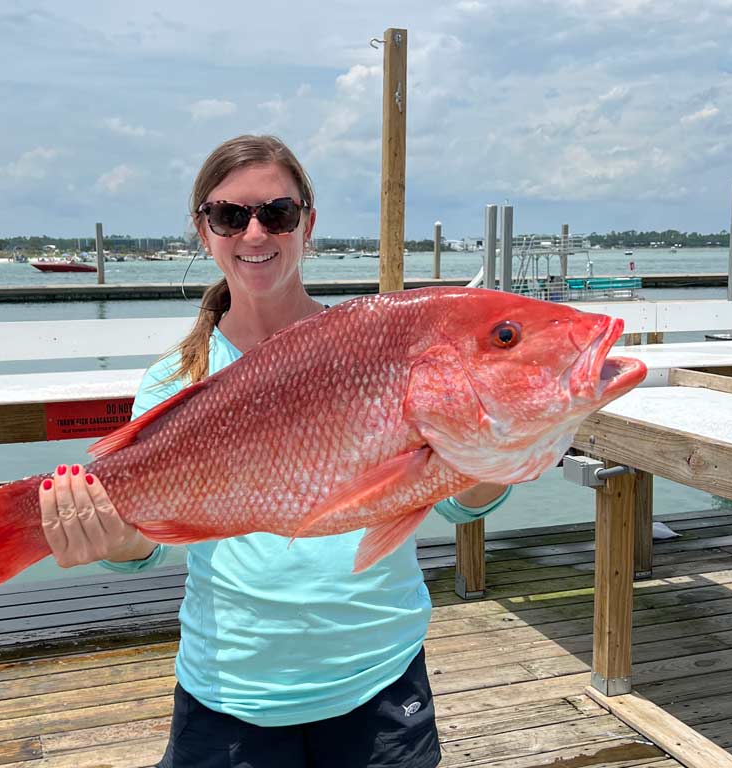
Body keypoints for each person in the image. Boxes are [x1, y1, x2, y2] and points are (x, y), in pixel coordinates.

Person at [39, 135, 512, 768]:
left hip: (379, 677)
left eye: (277, 214)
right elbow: (143, 550)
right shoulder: (172, 382)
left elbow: (463, 509)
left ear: (307, 225)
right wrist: (103, 536)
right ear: (204, 232)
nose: (254, 232)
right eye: (230, 216)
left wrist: (490, 451)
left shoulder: (368, 346)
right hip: (232, 692)